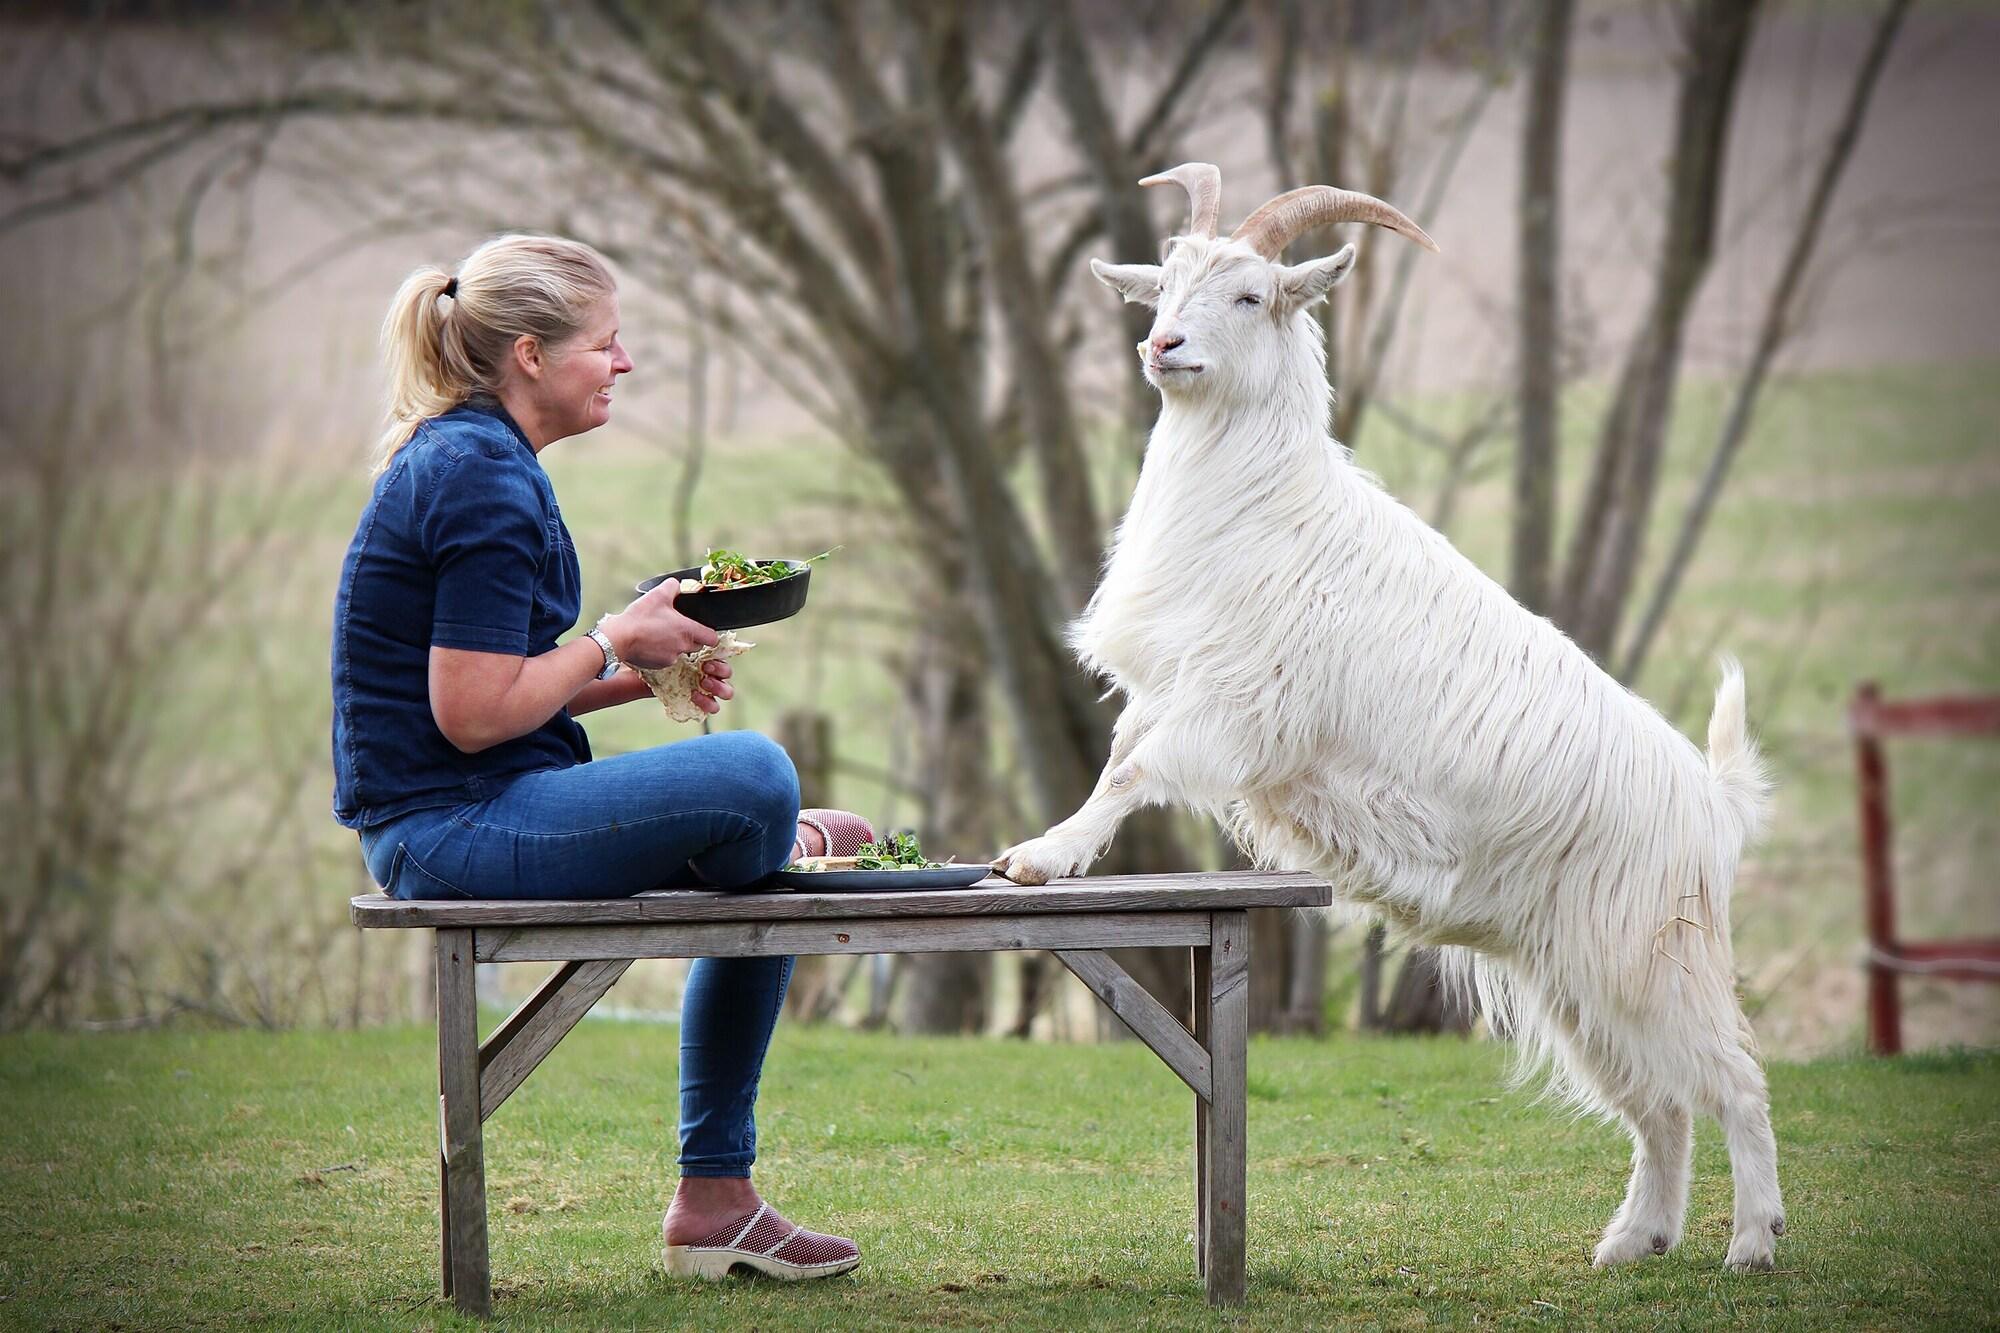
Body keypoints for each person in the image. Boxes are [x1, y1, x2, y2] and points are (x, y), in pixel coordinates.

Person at [330, 233, 861, 1281]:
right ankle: (768, 842)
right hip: (447, 828)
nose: (622, 365)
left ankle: (716, 1205)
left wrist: (645, 669)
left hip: (488, 797)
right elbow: (475, 715)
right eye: (606, 345)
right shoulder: (479, 478)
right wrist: (617, 636)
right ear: (530, 354)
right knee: (756, 779)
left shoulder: (484, 457)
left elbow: (509, 682)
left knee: (765, 819)